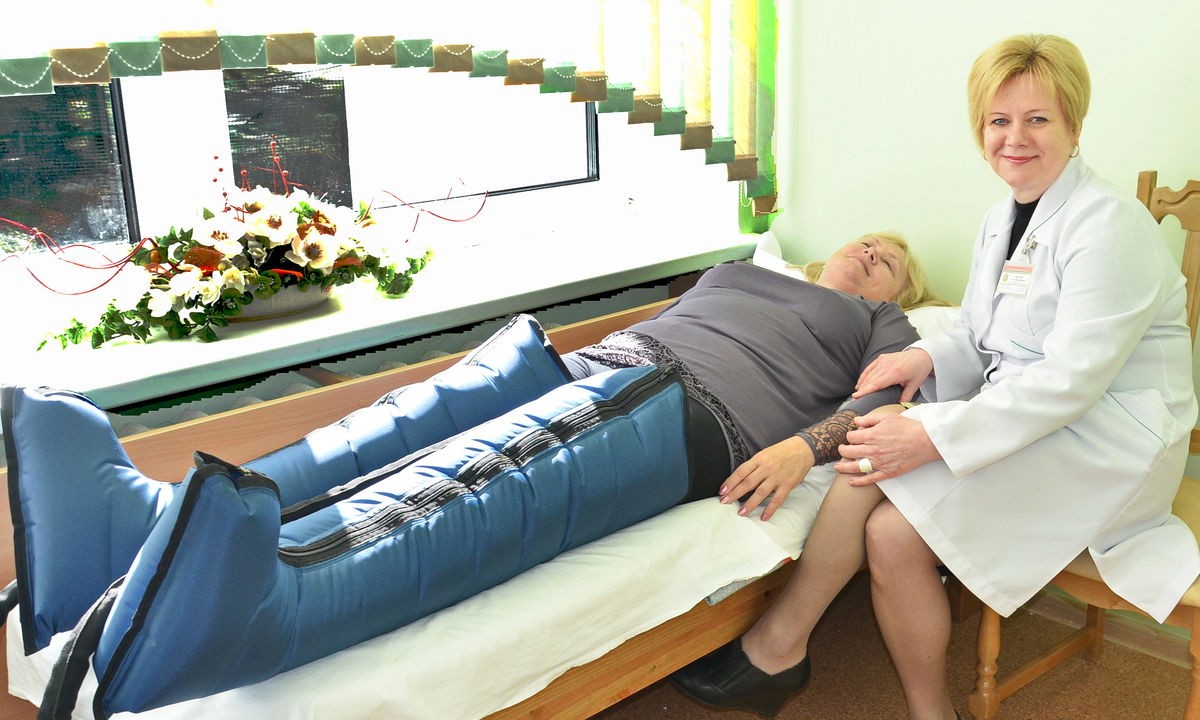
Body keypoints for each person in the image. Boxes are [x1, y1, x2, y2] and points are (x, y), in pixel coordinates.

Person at [671, 33, 1200, 720]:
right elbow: (982, 336)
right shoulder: (1002, 221)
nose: (1015, 138)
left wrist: (929, 434)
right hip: (1039, 421)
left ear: (1074, 125)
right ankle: (801, 656)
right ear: (980, 131)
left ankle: (788, 652)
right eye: (998, 120)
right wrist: (927, 357)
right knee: (878, 479)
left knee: (891, 506)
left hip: (1109, 443)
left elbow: (1070, 383)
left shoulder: (1110, 225)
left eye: (1037, 119)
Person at [562, 231, 945, 511]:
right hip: (607, 356)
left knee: (550, 477)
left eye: (888, 263)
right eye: (866, 243)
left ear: (898, 297)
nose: (871, 253)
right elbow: (669, 318)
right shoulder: (744, 272)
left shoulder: (881, 317)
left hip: (691, 401)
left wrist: (805, 448)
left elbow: (885, 394)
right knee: (523, 376)